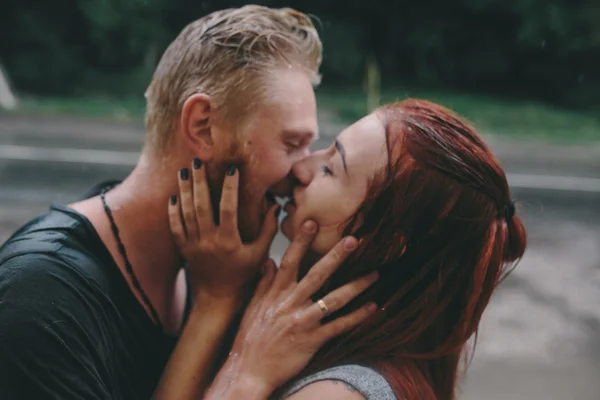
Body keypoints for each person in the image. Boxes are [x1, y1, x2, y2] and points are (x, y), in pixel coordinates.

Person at [0, 5, 356, 399]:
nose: (302, 171)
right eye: (292, 143)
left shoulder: (218, 270)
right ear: (203, 127)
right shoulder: (42, 298)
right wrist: (242, 357)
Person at [164, 98, 527, 399]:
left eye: (331, 169)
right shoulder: (387, 355)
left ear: (387, 244)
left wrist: (248, 374)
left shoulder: (336, 395)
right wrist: (218, 298)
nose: (302, 168)